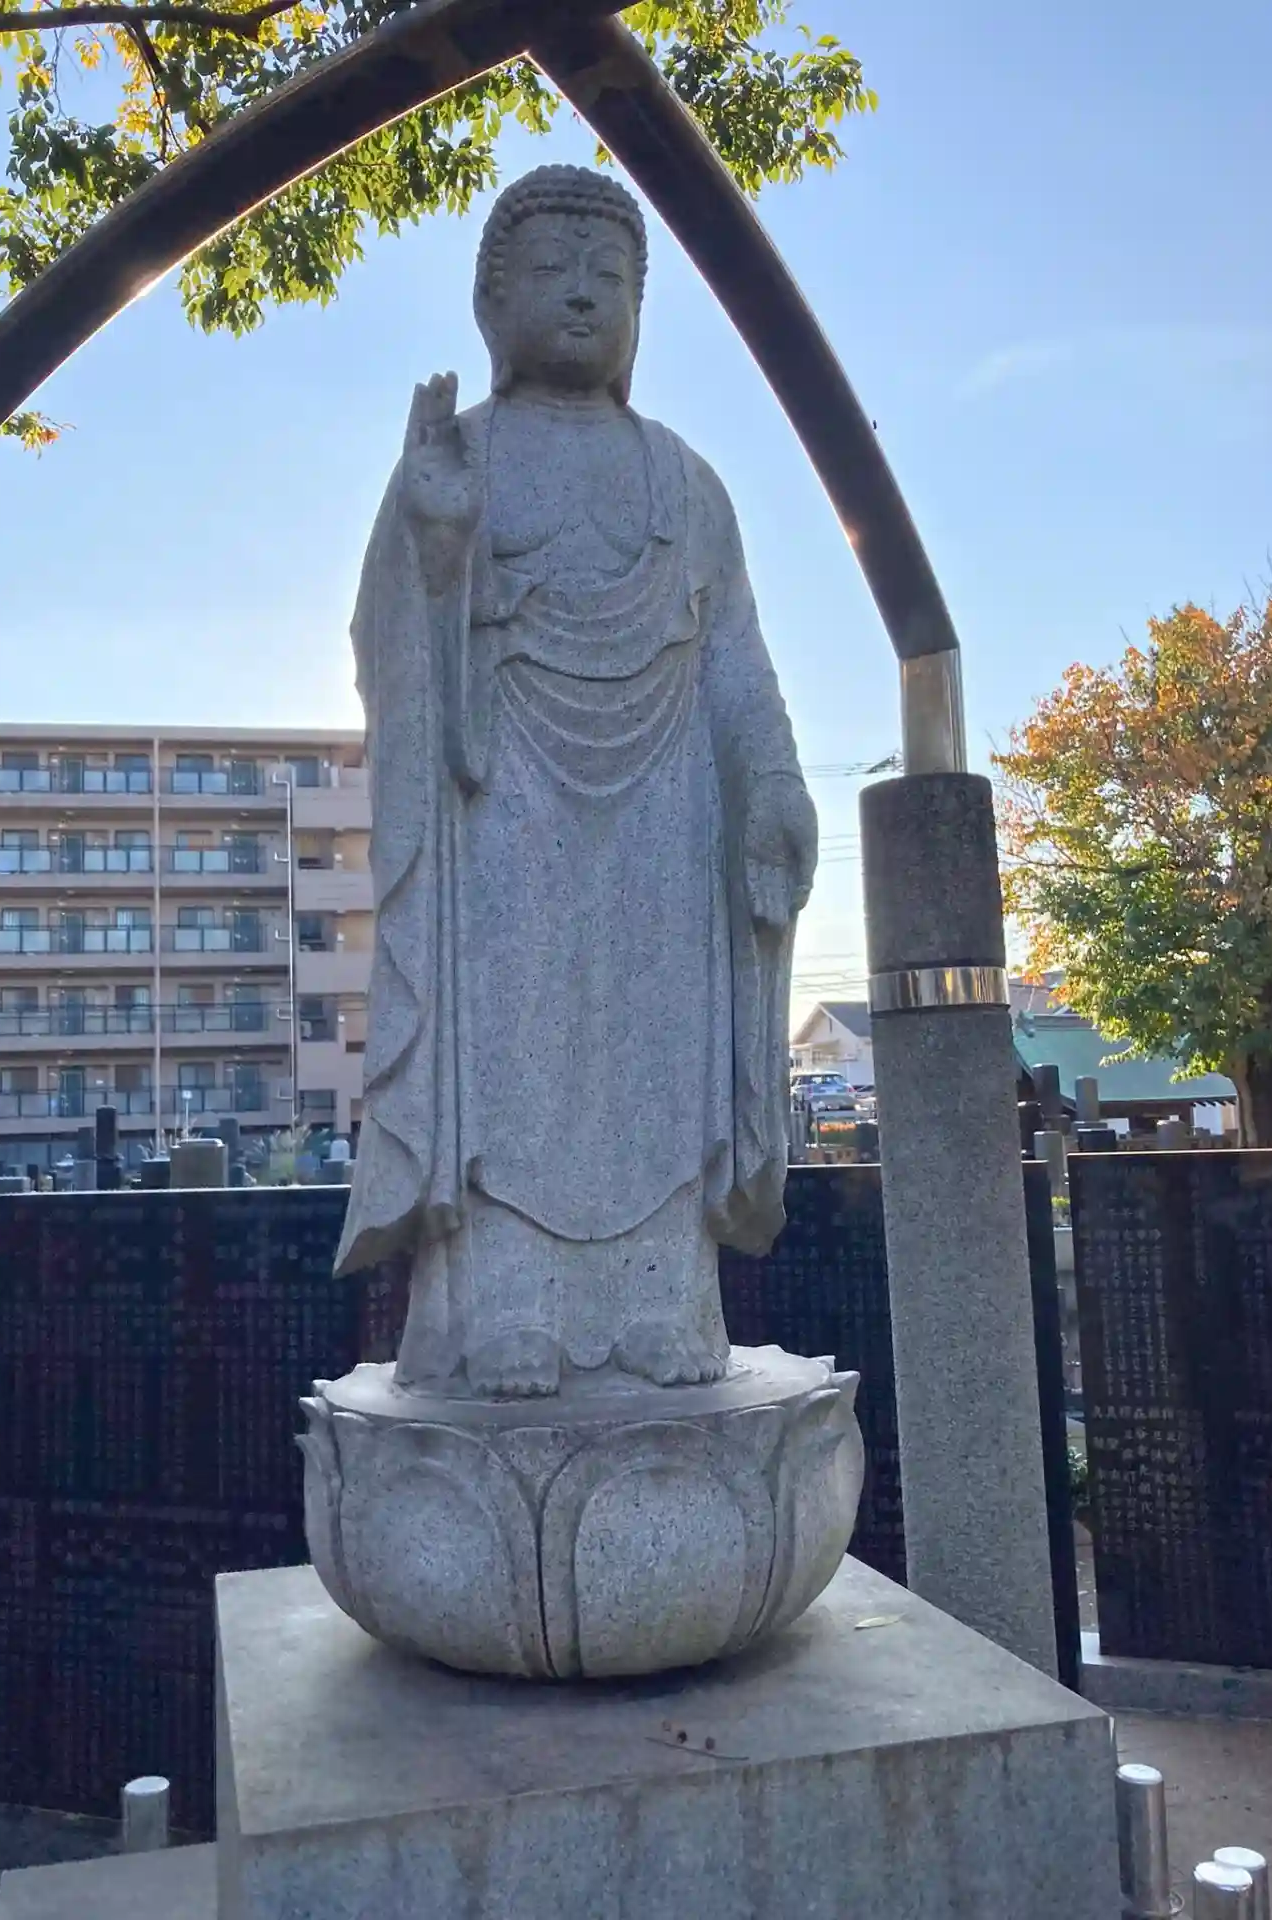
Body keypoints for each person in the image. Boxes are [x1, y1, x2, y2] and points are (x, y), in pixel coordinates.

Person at [336, 166, 818, 1398]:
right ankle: (507, 1308)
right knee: (512, 1056)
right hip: (502, 803)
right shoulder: (459, 456)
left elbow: (736, 659)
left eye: (611, 277)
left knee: (659, 1058)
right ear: (491, 302)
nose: (585, 295)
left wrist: (772, 779)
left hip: (667, 815)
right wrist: (438, 548)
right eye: (552, 270)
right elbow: (389, 652)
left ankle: (664, 1299)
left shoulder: (686, 483)